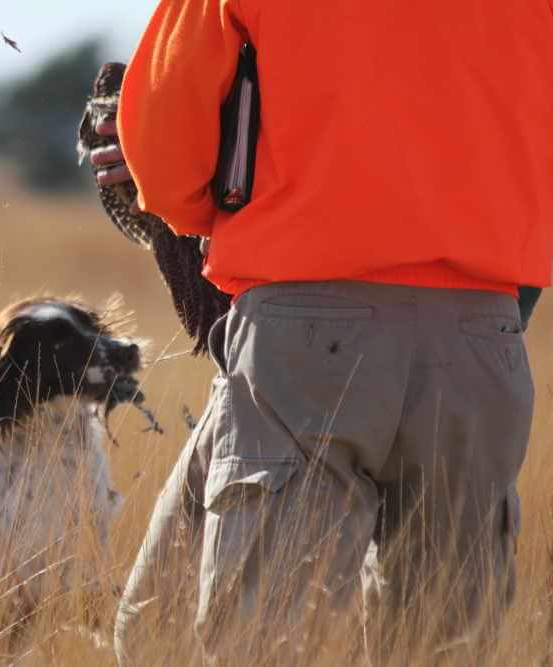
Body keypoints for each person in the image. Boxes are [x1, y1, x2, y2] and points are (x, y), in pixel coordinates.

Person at [90, 0, 553, 663]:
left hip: (305, 334)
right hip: (483, 336)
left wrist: (223, 221)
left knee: (269, 641)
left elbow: (161, 161)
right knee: (445, 644)